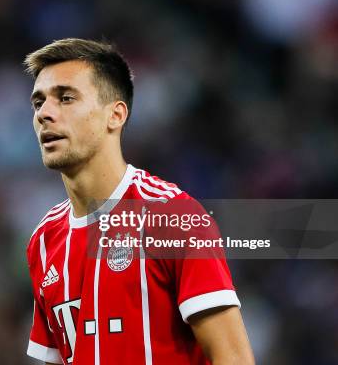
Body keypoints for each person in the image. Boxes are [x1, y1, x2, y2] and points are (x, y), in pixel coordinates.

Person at [23, 38, 254, 364]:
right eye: (38, 103)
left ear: (115, 115)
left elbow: (234, 358)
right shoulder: (43, 242)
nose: (45, 113)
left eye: (66, 98)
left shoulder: (172, 216)